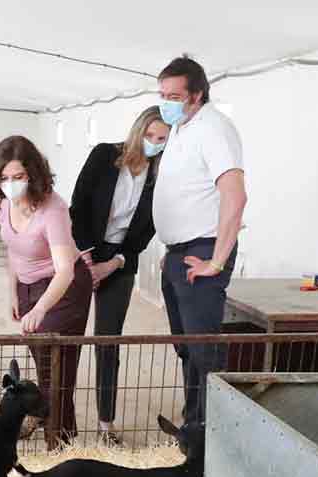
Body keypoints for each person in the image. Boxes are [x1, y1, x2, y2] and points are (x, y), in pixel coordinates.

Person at [153, 55, 247, 438]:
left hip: (203, 251)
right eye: (162, 94)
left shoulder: (214, 129)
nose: (166, 102)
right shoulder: (182, 128)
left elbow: (235, 197)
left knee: (204, 350)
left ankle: (215, 434)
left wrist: (216, 261)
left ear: (197, 94)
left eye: (174, 95)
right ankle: (194, 425)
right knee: (188, 349)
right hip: (179, 253)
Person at [70, 106, 168, 445]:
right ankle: (48, 413)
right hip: (83, 250)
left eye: (162, 139)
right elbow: (77, 206)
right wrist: (86, 260)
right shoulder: (104, 156)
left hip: (121, 259)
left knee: (107, 341)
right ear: (137, 131)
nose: (154, 144)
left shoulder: (160, 176)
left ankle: (105, 422)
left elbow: (146, 232)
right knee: (63, 336)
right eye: (150, 136)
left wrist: (113, 264)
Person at [0, 135, 93, 445]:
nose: (11, 184)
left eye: (18, 177)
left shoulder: (53, 209)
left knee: (55, 366)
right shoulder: (5, 202)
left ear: (33, 173)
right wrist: (13, 292)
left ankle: (55, 439)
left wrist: (41, 307)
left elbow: (65, 269)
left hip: (64, 288)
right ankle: (62, 432)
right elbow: (11, 248)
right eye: (4, 178)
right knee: (45, 364)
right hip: (27, 286)